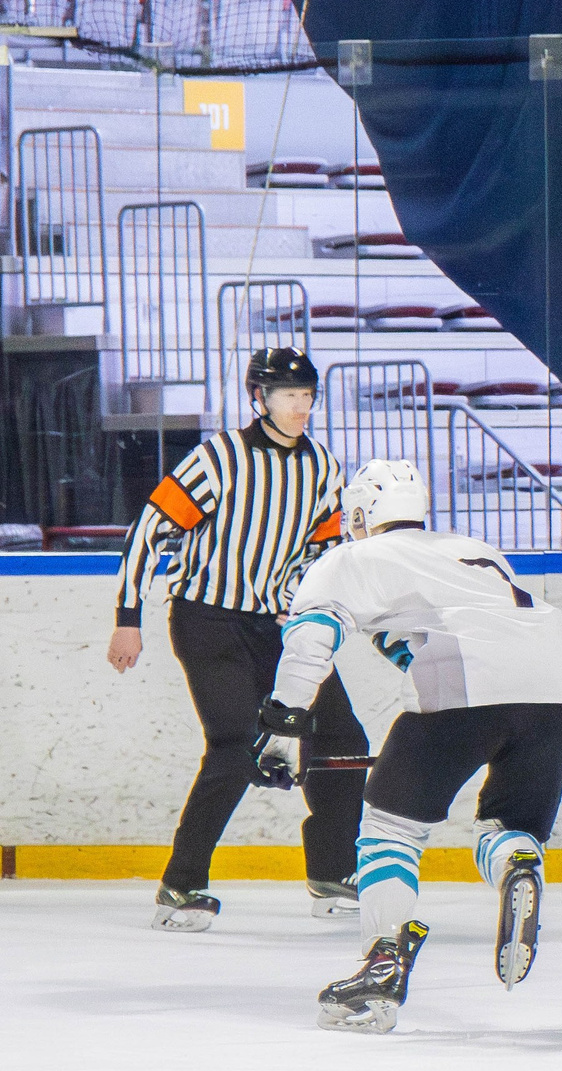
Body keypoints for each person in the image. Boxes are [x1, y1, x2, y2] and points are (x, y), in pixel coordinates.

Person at [256, 458, 562, 1033]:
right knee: (506, 823)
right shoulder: (472, 550)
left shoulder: (351, 557)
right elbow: (440, 634)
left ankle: (383, 965)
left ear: (359, 514)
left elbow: (313, 634)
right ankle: (517, 860)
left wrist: (286, 721)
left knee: (391, 826)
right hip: (559, 686)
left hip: (471, 681)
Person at [108, 347, 368, 930]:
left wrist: (299, 606)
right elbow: (150, 527)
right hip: (207, 620)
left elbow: (322, 553)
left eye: (307, 397)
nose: (301, 407)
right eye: (288, 396)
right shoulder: (220, 456)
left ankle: (332, 871)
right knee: (234, 745)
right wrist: (130, 616)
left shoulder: (324, 466)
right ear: (260, 398)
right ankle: (181, 885)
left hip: (277, 629)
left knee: (344, 738)